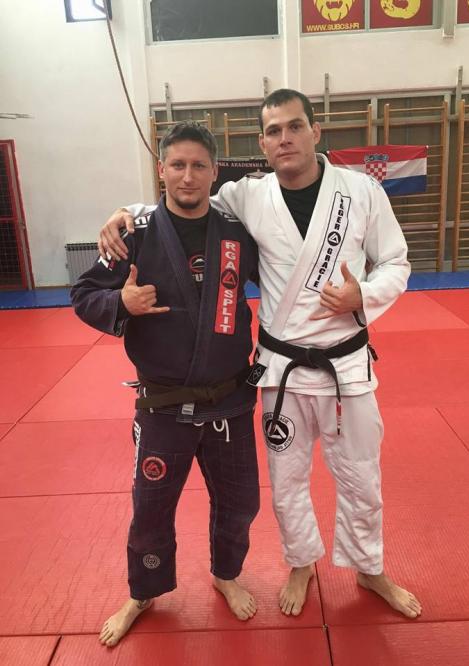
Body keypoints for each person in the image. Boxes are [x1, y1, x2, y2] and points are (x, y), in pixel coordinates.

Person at [98, 89, 422, 620]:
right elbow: (184, 202)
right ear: (262, 143)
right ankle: (301, 562)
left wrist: (362, 295)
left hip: (346, 367)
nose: (285, 138)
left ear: (316, 131)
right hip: (282, 370)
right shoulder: (247, 195)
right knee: (286, 480)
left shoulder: (362, 192)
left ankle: (369, 567)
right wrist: (126, 212)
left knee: (362, 475)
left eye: (294, 126)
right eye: (274, 131)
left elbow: (396, 262)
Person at [71, 121, 261, 647]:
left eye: (199, 165)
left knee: (241, 501)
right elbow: (83, 293)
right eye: (177, 164)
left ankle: (226, 574)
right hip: (162, 406)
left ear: (215, 172)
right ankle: (144, 591)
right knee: (151, 506)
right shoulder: (132, 234)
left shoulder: (237, 232)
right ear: (161, 170)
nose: (188, 176)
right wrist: (120, 303)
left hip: (229, 399)